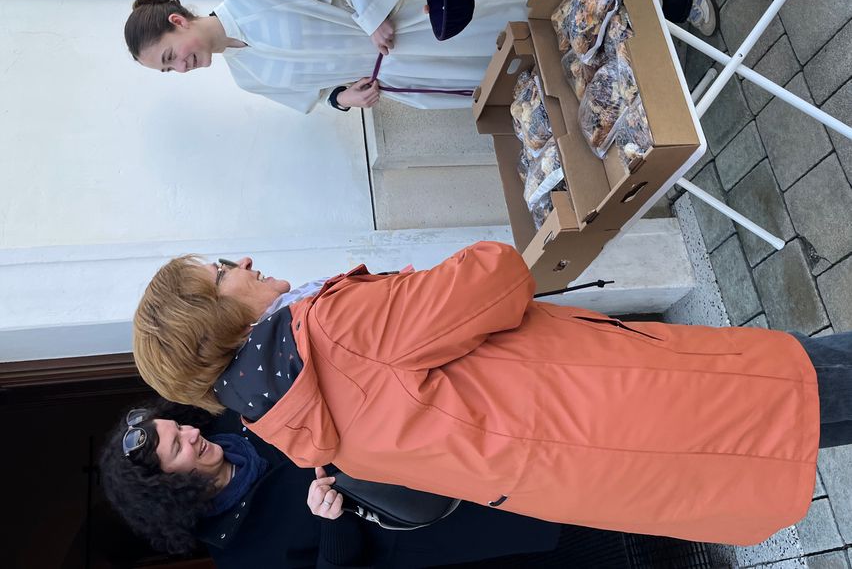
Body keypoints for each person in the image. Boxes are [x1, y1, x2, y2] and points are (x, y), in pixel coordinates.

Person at [130, 243, 847, 547]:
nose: (245, 262)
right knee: (807, 388)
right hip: (630, 399)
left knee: (807, 423)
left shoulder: (291, 419)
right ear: (218, 318)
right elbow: (498, 278)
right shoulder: (330, 333)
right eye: (224, 269)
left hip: (611, 465)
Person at [100, 398, 572, 567]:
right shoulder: (243, 555)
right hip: (471, 522)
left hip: (467, 445)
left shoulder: (241, 416)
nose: (192, 433)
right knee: (587, 515)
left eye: (177, 428)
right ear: (170, 490)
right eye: (178, 447)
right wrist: (332, 524)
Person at [123, 0, 544, 111]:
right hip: (404, 77)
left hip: (407, 24)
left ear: (178, 22)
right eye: (168, 71)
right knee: (517, 84)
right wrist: (343, 99)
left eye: (169, 55)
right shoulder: (247, 77)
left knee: (517, 20)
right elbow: (321, 94)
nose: (180, 68)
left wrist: (370, 16)